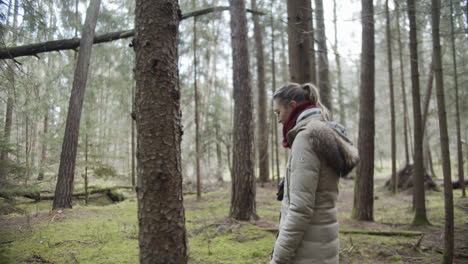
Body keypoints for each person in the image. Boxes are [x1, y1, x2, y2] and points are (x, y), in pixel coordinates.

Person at [270, 83, 359, 264]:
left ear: (292, 106)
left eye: (278, 112)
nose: (278, 120)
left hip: (307, 253)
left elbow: (300, 210)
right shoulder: (321, 133)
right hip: (321, 248)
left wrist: (278, 259)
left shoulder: (305, 139)